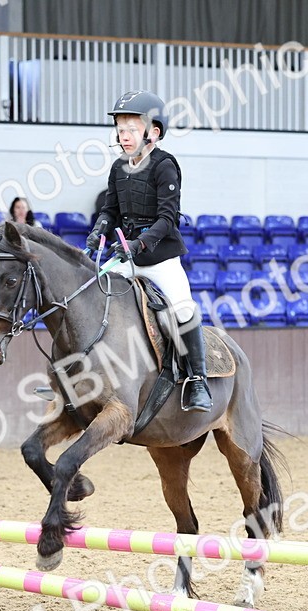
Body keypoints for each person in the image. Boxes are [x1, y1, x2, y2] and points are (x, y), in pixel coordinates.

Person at [86, 90, 210, 413]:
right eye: (121, 129)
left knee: (183, 309)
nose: (124, 136)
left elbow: (168, 220)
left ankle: (198, 379)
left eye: (131, 129)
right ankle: (76, 374)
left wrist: (139, 244)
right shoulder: (117, 168)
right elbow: (109, 210)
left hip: (159, 259)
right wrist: (98, 229)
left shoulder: (165, 166)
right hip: (125, 257)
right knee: (89, 293)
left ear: (153, 132)